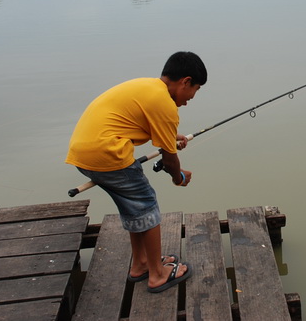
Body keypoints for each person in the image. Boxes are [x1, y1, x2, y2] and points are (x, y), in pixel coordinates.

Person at [66, 51, 207, 293]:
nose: (189, 99)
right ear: (185, 81)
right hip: (108, 154)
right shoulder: (165, 104)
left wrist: (172, 137)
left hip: (84, 153)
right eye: (193, 92)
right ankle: (157, 274)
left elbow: (141, 123)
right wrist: (178, 177)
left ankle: (141, 264)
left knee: (135, 207)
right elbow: (169, 157)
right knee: (147, 205)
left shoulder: (149, 88)